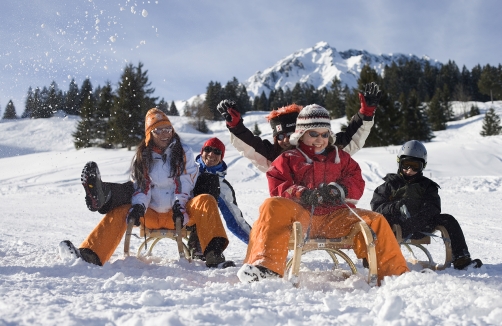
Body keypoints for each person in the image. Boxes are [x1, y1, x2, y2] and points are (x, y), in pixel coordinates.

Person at [237, 104, 409, 285]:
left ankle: (395, 275)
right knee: (271, 205)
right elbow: (278, 185)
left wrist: (338, 189)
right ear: (301, 134)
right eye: (314, 134)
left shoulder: (340, 158)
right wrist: (301, 193)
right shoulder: (288, 158)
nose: (320, 139)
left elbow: (356, 180)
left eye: (324, 134)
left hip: (334, 218)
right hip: (301, 218)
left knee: (376, 220)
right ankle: (267, 269)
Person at [59, 108, 234, 268]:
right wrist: (138, 206)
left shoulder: (183, 152)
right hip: (151, 214)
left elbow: (184, 181)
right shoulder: (142, 157)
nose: (165, 134)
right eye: (159, 130)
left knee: (206, 200)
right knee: (122, 209)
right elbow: (141, 186)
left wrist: (179, 205)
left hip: (180, 214)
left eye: (168, 129)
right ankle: (91, 254)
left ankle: (213, 256)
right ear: (150, 133)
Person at [80, 136, 252, 247]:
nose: (211, 154)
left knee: (208, 188)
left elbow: (235, 221)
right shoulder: (187, 166)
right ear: (201, 152)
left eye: (217, 151)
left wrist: (255, 243)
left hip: (188, 220)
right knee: (136, 187)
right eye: (207, 149)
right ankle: (104, 194)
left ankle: (201, 243)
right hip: (159, 209)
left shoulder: (222, 186)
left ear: (222, 156)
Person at [216, 82, 381, 173]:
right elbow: (250, 146)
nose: (286, 139)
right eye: (280, 137)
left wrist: (365, 113)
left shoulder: (324, 148)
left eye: (290, 133)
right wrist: (236, 126)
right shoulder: (273, 157)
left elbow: (351, 139)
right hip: (289, 213)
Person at [370, 140, 483, 270]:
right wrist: (394, 207)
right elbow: (377, 207)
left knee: (448, 219)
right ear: (399, 163)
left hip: (421, 224)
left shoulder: (427, 186)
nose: (409, 170)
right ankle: (376, 259)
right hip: (395, 226)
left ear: (422, 166)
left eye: (414, 166)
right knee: (376, 221)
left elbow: (434, 206)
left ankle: (461, 258)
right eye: (406, 165)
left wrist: (420, 214)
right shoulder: (390, 185)